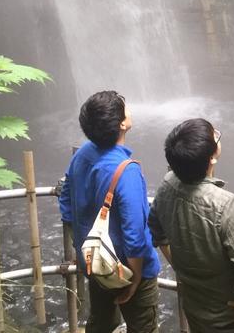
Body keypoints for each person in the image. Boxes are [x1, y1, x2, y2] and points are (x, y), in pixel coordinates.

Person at [148, 118, 234, 333]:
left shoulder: (167, 184)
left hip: (195, 309)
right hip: (233, 319)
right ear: (212, 158)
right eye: (216, 136)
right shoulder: (226, 204)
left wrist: (180, 266)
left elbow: (156, 229)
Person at [58, 91, 160, 333]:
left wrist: (81, 242)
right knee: (143, 327)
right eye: (125, 108)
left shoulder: (82, 154)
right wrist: (135, 279)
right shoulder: (127, 172)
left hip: (96, 261)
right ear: (122, 124)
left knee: (101, 321)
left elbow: (65, 199)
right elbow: (135, 234)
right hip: (126, 269)